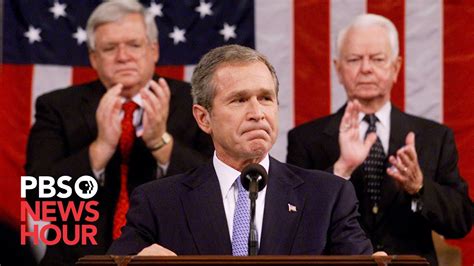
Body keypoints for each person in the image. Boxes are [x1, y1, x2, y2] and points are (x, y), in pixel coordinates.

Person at [107, 44, 373, 256]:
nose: (257, 113)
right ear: (203, 118)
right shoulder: (158, 203)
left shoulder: (327, 197)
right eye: (239, 100)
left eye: (266, 98)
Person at [24, 0, 213, 265]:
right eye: (110, 48)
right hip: (77, 259)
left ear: (153, 50)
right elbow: (36, 194)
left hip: (171, 257)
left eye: (134, 45)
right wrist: (99, 150)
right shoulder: (56, 107)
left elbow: (219, 190)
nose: (123, 56)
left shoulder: (194, 103)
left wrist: (161, 144)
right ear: (94, 58)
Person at [286, 14, 472, 265]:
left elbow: (460, 222)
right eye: (354, 59)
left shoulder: (434, 137)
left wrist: (419, 187)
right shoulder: (306, 139)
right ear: (338, 69)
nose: (365, 68)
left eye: (377, 59)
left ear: (395, 67)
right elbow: (295, 225)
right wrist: (341, 170)